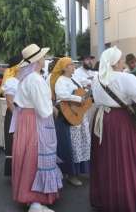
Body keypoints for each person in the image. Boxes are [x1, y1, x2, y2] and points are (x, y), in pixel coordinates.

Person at [90, 46, 136, 212]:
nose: (122, 63)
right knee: (126, 161)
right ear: (114, 63)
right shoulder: (125, 78)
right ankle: (126, 202)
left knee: (106, 160)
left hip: (103, 120)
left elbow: (97, 100)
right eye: (120, 60)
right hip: (121, 122)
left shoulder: (96, 78)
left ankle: (105, 199)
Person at [11, 44, 62, 212]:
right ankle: (35, 200)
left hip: (27, 119)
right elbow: (44, 109)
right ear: (37, 60)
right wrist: (52, 107)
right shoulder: (35, 79)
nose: (44, 59)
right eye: (42, 57)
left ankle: (29, 196)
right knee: (35, 157)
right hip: (35, 120)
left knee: (27, 156)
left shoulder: (27, 77)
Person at [50, 57, 90, 186]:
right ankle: (71, 174)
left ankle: (78, 171)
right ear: (65, 68)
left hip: (78, 115)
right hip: (68, 117)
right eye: (71, 65)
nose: (74, 67)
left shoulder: (74, 79)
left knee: (81, 143)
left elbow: (81, 92)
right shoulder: (61, 80)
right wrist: (79, 99)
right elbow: (62, 95)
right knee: (71, 145)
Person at [0, 54, 22, 176]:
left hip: (23, 114)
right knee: (12, 141)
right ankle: (13, 171)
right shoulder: (11, 81)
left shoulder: (24, 80)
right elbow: (9, 102)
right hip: (14, 113)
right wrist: (18, 117)